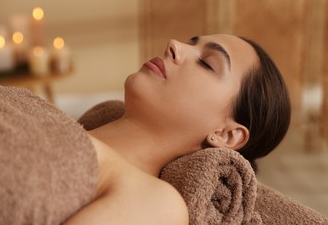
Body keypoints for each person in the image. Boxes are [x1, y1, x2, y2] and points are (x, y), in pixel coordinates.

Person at [64, 33, 291, 224]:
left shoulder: (157, 203)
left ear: (226, 135)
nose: (174, 44)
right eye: (191, 43)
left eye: (207, 63)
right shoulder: (64, 126)